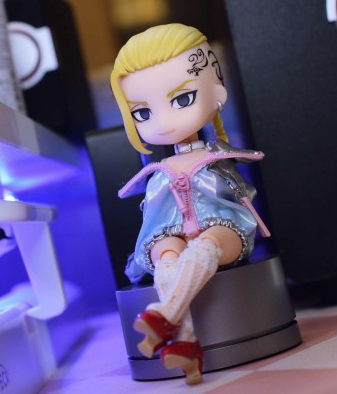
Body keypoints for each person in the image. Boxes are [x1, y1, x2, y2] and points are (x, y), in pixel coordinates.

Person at [110, 23, 269, 385]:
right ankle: (183, 342)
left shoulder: (217, 155)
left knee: (209, 242)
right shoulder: (158, 171)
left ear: (216, 92)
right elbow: (153, 218)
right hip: (173, 232)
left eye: (182, 100)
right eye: (142, 113)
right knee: (165, 253)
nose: (164, 123)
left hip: (224, 228)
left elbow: (238, 191)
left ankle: (167, 317)